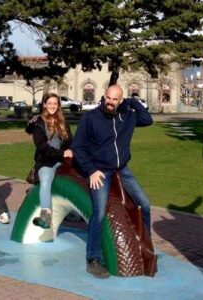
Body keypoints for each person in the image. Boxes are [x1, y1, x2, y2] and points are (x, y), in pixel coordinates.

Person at [72, 85, 153, 278]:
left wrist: (132, 101)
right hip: (100, 170)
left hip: (121, 168)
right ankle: (93, 259)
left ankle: (145, 244)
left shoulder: (127, 116)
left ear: (120, 101)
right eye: (107, 98)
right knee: (99, 212)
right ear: (103, 97)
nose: (110, 102)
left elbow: (148, 119)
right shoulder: (90, 118)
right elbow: (77, 147)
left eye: (115, 99)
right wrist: (91, 170)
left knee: (145, 204)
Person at [26, 93, 74, 228]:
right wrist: (62, 153)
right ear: (45, 105)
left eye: (55, 103)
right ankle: (45, 217)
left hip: (62, 160)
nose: (52, 106)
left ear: (58, 105)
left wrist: (70, 151)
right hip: (47, 160)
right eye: (50, 103)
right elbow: (42, 147)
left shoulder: (63, 122)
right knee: (46, 182)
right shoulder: (39, 123)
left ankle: (75, 213)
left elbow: (70, 141)